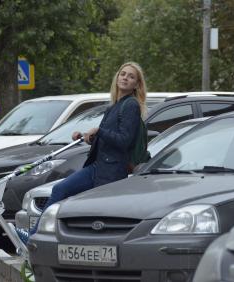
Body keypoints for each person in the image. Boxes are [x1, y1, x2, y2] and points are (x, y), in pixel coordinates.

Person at [17, 62, 147, 239]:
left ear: (136, 84)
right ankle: (36, 237)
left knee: (89, 211)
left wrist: (99, 131)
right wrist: (87, 137)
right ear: (117, 77)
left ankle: (34, 237)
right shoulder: (115, 105)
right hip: (98, 166)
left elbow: (124, 140)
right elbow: (109, 139)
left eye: (131, 76)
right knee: (62, 191)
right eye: (122, 74)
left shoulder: (130, 105)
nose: (125, 78)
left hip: (111, 171)